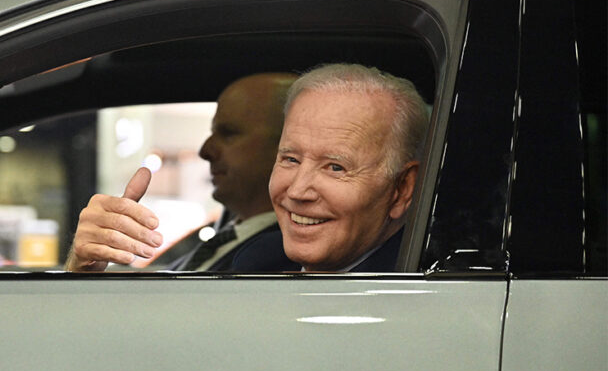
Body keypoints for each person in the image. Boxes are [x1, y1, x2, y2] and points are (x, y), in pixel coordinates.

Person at [65, 73, 300, 272]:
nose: (205, 150)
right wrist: (86, 264)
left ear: (286, 148)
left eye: (228, 133)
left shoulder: (279, 256)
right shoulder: (230, 238)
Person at [232, 63, 429, 272]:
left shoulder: (419, 294)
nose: (297, 191)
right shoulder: (258, 262)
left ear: (402, 189)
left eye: (335, 168)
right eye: (291, 159)